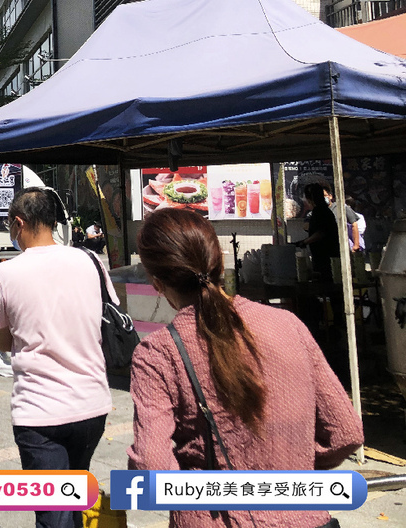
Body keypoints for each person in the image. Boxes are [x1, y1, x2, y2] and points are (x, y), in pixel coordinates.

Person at [129, 208, 363, 528]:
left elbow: (149, 471)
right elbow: (345, 433)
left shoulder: (158, 353)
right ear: (220, 262)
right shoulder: (288, 324)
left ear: (157, 283)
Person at [0, 187, 114, 528]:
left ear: (19, 223)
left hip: (40, 413)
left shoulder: (7, 272)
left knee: (54, 516)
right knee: (73, 502)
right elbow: (104, 315)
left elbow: (2, 342)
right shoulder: (89, 260)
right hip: (91, 406)